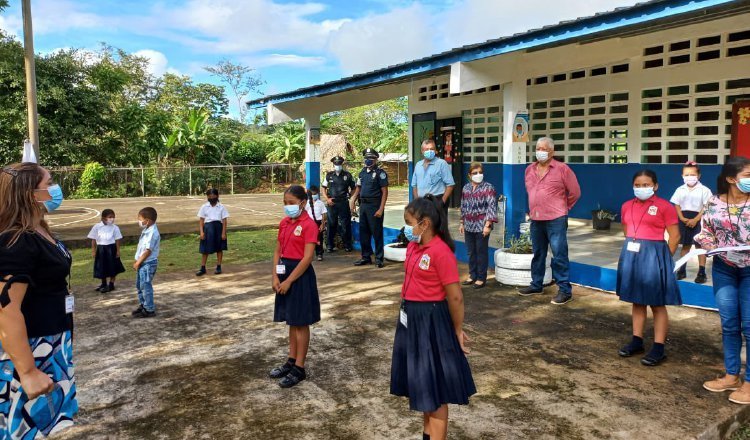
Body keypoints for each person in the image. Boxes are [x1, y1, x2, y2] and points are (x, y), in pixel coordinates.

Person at [0, 162, 78, 438]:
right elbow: (6, 310)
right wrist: (28, 370)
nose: (55, 188)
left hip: (51, 340)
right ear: (30, 193)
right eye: (49, 183)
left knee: (46, 425)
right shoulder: (16, 240)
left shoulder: (39, 228)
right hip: (31, 347)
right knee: (22, 428)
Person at [390, 195, 475, 440]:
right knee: (424, 388)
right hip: (412, 321)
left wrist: (456, 329)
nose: (406, 228)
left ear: (424, 224)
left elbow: (455, 297)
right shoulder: (414, 247)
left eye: (409, 222)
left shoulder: (440, 252)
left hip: (431, 322)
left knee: (435, 392)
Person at [696, 157, 750, 404]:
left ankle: (749, 382)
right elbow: (706, 233)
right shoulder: (713, 203)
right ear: (731, 178)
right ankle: (732, 376)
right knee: (729, 323)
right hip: (724, 268)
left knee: (749, 326)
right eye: (747, 175)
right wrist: (707, 246)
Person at [616, 170, 681, 367]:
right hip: (632, 254)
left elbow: (675, 236)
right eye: (637, 184)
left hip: (655, 255)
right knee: (637, 300)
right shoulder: (627, 205)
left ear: (656, 186)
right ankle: (637, 341)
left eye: (646, 185)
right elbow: (626, 229)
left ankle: (659, 347)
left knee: (657, 303)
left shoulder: (665, 207)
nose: (641, 188)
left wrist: (662, 259)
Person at [519, 137, 581, 305]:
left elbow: (575, 192)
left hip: (556, 219)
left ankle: (564, 290)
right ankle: (536, 284)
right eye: (538, 148)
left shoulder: (562, 169)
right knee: (538, 253)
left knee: (559, 254)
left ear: (552, 152)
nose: (540, 151)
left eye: (544, 149)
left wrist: (563, 208)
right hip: (536, 218)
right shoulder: (529, 170)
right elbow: (530, 191)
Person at [270, 185, 321, 388]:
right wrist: (275, 276)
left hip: (299, 276)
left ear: (303, 202)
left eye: (291, 203)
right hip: (284, 273)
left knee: (301, 322)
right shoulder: (284, 223)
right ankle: (291, 360)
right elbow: (277, 252)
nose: (287, 207)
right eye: (285, 203)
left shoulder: (309, 225)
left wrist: (290, 280)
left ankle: (300, 367)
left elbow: (308, 257)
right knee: (292, 321)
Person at [670, 162, 712, 284]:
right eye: (686, 174)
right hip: (684, 218)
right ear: (682, 176)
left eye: (692, 174)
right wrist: (682, 218)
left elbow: (706, 206)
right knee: (685, 245)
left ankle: (701, 272)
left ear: (699, 176)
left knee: (699, 246)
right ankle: (682, 270)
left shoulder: (704, 190)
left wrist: (696, 219)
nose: (689, 177)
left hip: (699, 219)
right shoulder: (680, 189)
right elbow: (676, 204)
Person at [459, 163, 498, 289]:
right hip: (469, 224)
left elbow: (492, 206)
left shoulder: (488, 187)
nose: (478, 175)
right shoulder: (466, 188)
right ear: (469, 175)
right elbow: (463, 205)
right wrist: (461, 222)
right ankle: (472, 275)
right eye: (475, 173)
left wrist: (488, 224)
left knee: (481, 251)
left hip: (482, 224)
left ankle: (481, 278)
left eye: (480, 172)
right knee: (471, 252)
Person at [350, 148, 389, 268]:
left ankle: (379, 258)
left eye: (371, 158)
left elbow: (385, 192)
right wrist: (352, 200)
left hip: (375, 205)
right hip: (364, 206)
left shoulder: (380, 173)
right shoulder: (362, 173)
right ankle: (366, 257)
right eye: (366, 158)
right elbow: (358, 189)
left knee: (376, 232)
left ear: (376, 159)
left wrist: (381, 209)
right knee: (364, 233)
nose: (368, 160)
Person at [411, 139, 455, 219]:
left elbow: (450, 185)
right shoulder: (418, 165)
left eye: (432, 149)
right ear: (422, 151)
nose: (430, 151)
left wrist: (442, 201)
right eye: (427, 149)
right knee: (424, 227)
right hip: (422, 201)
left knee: (438, 228)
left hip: (437, 200)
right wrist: (417, 201)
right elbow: (414, 185)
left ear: (435, 150)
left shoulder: (441, 164)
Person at [322, 156, 355, 252]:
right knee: (331, 224)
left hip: (343, 203)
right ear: (333, 164)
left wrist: (350, 197)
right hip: (332, 203)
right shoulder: (329, 175)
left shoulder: (348, 175)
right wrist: (327, 199)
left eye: (339, 164)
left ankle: (347, 245)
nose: (338, 166)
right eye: (336, 164)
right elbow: (323, 187)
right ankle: (330, 246)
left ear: (342, 164)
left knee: (345, 224)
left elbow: (354, 188)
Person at [87, 209, 125, 293]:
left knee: (113, 267)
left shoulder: (115, 227)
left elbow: (117, 240)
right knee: (102, 266)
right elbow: (93, 239)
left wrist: (118, 250)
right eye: (110, 217)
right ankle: (103, 284)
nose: (112, 219)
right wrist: (93, 250)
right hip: (101, 249)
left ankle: (111, 284)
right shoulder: (97, 227)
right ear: (103, 218)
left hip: (111, 249)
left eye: (113, 217)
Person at [132, 207, 160, 318]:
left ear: (147, 220)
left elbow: (148, 251)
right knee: (140, 285)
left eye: (140, 219)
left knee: (145, 286)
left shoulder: (152, 233)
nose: (139, 222)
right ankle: (143, 304)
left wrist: (138, 262)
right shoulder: (146, 229)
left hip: (147, 263)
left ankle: (149, 309)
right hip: (143, 263)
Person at [196, 189, 229, 276]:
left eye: (213, 196)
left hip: (218, 228)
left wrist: (223, 233)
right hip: (207, 229)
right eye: (209, 196)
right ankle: (202, 268)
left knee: (219, 248)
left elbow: (224, 221)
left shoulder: (221, 207)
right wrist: (201, 232)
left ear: (217, 196)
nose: (211, 198)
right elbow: (201, 221)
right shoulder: (204, 207)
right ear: (207, 197)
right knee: (205, 249)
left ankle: (218, 266)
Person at [305, 185, 328, 262]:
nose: (315, 195)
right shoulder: (307, 203)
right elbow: (304, 213)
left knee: (319, 239)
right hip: (309, 224)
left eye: (316, 193)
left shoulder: (320, 203)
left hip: (318, 223)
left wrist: (322, 224)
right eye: (313, 194)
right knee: (309, 239)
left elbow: (324, 214)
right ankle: (309, 254)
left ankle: (319, 253)